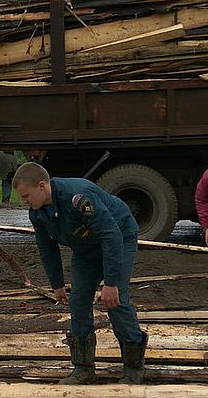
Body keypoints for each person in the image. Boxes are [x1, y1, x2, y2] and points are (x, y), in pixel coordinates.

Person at [12, 162, 148, 384]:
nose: (24, 201)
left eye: (26, 196)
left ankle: (134, 367)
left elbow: (111, 235)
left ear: (41, 186)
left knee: (116, 302)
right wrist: (56, 284)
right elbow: (46, 248)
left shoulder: (76, 198)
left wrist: (111, 283)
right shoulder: (37, 213)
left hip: (118, 238)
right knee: (79, 302)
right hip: (86, 249)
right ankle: (83, 369)